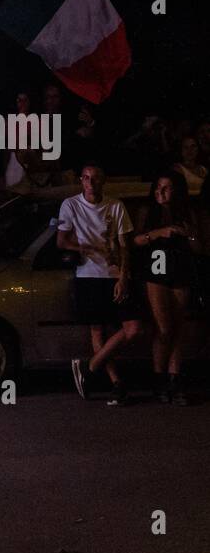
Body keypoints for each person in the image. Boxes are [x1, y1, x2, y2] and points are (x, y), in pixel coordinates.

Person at [60, 164, 143, 405]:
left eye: (95, 178)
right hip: (88, 275)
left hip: (113, 273)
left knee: (133, 328)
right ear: (81, 180)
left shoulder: (115, 206)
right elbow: (61, 241)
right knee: (97, 330)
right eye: (86, 178)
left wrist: (123, 277)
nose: (91, 183)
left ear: (103, 181)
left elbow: (125, 245)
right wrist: (84, 248)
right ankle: (116, 383)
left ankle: (90, 367)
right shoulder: (71, 204)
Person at [133, 170, 199, 405]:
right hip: (156, 275)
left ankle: (175, 379)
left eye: (166, 187)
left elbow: (198, 245)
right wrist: (159, 233)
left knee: (178, 329)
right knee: (163, 328)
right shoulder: (147, 212)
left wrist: (189, 236)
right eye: (158, 187)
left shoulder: (185, 212)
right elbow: (137, 240)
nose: (160, 192)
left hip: (180, 273)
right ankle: (158, 378)